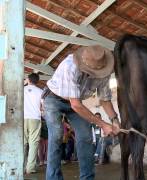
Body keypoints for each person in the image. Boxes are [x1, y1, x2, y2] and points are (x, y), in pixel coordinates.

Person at [43, 45, 120, 180]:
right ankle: (53, 177)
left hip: (74, 102)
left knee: (85, 136)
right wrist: (103, 124)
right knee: (56, 135)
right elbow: (76, 105)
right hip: (53, 98)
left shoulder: (104, 70)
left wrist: (114, 120)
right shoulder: (69, 66)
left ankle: (87, 177)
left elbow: (105, 100)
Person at [24, 73, 43, 174]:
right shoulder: (41, 91)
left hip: (22, 118)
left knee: (22, 143)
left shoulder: (21, 90)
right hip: (35, 118)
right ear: (38, 81)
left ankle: (20, 167)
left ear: (28, 80)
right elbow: (43, 107)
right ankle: (30, 168)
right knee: (33, 143)